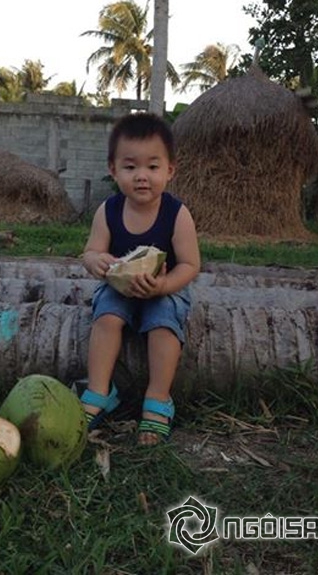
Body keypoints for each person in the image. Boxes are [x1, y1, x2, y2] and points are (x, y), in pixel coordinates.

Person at [81, 112, 200, 445]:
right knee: (105, 316)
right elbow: (90, 252)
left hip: (164, 289)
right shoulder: (108, 211)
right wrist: (97, 262)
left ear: (170, 171)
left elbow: (190, 265)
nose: (142, 177)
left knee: (164, 323)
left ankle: (158, 398)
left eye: (153, 167)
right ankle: (99, 390)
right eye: (130, 167)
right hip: (119, 287)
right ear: (113, 170)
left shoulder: (177, 214)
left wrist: (163, 285)